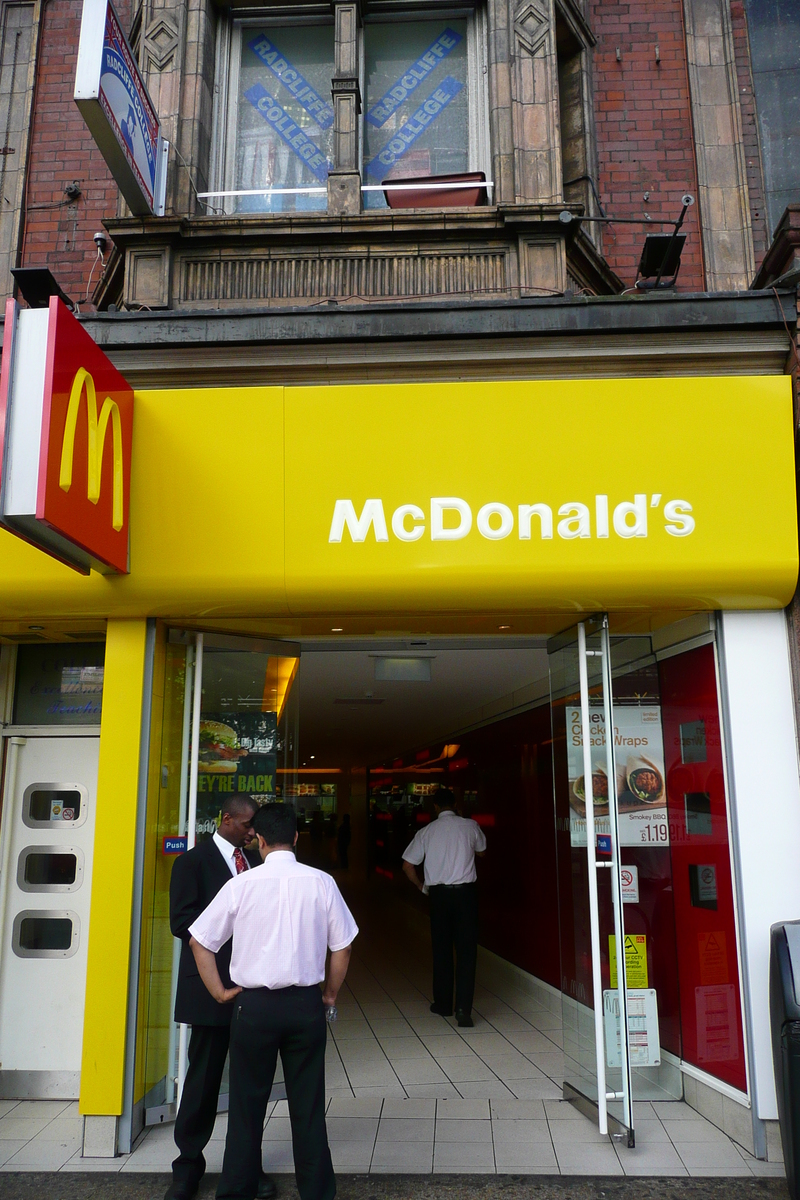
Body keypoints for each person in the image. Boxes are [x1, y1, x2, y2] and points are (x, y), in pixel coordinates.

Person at [189, 803, 358, 1200]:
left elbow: (200, 942)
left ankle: (236, 1191)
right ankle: (317, 1192)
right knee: (308, 1105)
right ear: (297, 838)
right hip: (305, 1007)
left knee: (247, 1105)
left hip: (254, 1009)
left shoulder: (241, 884)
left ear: (259, 841)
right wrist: (329, 996)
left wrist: (219, 992)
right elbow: (343, 946)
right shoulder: (321, 882)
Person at [166, 794, 275, 1200]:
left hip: (253, 987)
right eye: (247, 825)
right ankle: (187, 1168)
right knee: (203, 1080)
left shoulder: (259, 865)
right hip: (209, 990)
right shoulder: (192, 862)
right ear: (226, 819)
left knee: (249, 1083)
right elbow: (182, 922)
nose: (252, 832)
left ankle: (249, 1166)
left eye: (255, 827)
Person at [402, 786, 487, 1028]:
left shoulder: (427, 831)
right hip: (466, 896)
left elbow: (407, 865)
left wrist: (422, 887)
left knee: (441, 949)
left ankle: (443, 1004)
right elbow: (482, 852)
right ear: (455, 804)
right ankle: (463, 1009)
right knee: (467, 952)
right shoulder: (470, 826)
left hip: (438, 896)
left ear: (436, 807)